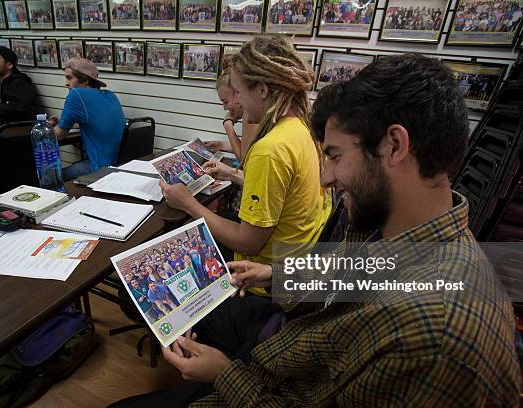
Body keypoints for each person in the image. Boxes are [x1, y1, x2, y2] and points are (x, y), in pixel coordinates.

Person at [110, 54, 520, 407]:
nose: (325, 178)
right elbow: (362, 271)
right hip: (288, 349)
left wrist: (225, 374)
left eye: (336, 156)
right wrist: (276, 273)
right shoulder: (402, 229)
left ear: (394, 146)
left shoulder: (436, 340)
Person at [160, 35, 332, 276]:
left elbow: (247, 243)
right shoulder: (302, 126)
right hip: (292, 256)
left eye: (238, 92)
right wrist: (234, 175)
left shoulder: (270, 149)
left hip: (260, 272)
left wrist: (187, 203)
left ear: (262, 90)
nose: (236, 101)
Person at [49, 57, 126, 181]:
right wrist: (65, 122)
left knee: (52, 176)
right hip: (120, 163)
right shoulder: (110, 95)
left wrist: (45, 127)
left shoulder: (76, 95)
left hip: (100, 168)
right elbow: (97, 123)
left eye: (69, 78)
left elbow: (59, 135)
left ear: (84, 80)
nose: (66, 83)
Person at [204, 55, 258, 162]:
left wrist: (228, 125)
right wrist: (221, 145)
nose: (225, 108)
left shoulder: (250, 114)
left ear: (237, 93)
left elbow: (243, 159)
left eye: (225, 102)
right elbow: (250, 147)